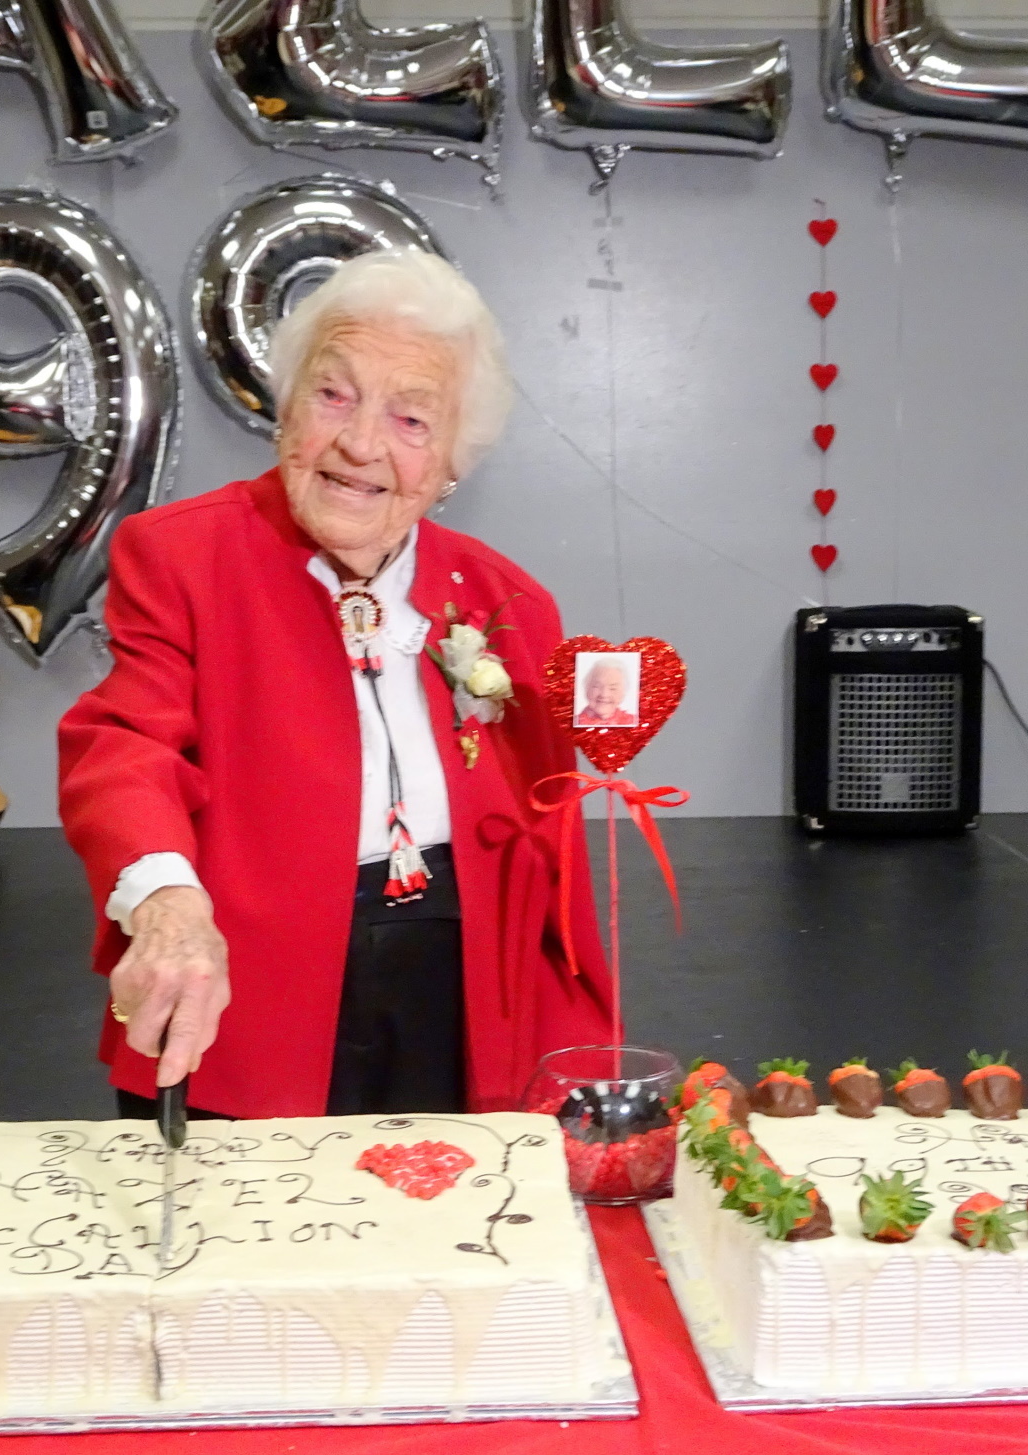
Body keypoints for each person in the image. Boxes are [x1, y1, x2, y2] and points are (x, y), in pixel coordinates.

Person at [58, 249, 613, 1119]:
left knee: (452, 1232)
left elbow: (553, 857)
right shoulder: (180, 555)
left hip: (460, 999)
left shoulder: (512, 604)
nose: (361, 444)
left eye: (411, 419)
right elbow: (124, 745)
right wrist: (166, 903)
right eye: (334, 394)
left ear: (452, 465)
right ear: (286, 410)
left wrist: (576, 1045)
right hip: (255, 988)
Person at [574, 659, 638, 728]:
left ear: (623, 693)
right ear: (587, 688)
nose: (604, 694)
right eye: (597, 686)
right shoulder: (572, 723)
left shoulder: (634, 723)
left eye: (613, 688)